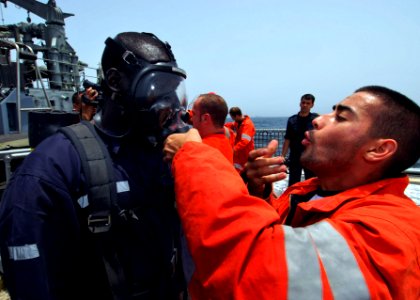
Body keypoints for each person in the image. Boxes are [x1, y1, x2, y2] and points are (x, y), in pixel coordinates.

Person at [164, 86, 420, 299]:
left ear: (378, 150)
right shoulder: (306, 192)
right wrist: (259, 192)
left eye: (341, 118)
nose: (319, 119)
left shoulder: (391, 231)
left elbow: (256, 274)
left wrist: (194, 155)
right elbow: (281, 235)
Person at [0, 31, 189, 299]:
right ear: (114, 81)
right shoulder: (52, 169)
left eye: (172, 88)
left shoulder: (161, 154)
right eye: (157, 86)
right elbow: (30, 277)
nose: (168, 101)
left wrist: (250, 184)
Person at [281, 93, 319, 186]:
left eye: (308, 103)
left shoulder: (316, 119)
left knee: (311, 183)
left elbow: (321, 137)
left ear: (312, 105)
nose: (305, 105)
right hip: (295, 156)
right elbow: (287, 139)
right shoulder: (291, 120)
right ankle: (293, 200)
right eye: (303, 102)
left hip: (310, 156)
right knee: (293, 183)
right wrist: (282, 156)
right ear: (300, 103)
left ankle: (310, 201)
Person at [189, 93, 233, 163]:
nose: (191, 119)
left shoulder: (202, 149)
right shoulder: (225, 143)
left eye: (193, 114)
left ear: (205, 118)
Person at [225, 106, 256, 177]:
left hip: (246, 153)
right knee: (238, 170)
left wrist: (233, 149)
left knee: (246, 172)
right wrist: (221, 126)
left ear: (236, 116)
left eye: (233, 117)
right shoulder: (238, 122)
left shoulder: (247, 125)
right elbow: (231, 125)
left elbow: (245, 141)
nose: (233, 120)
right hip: (239, 153)